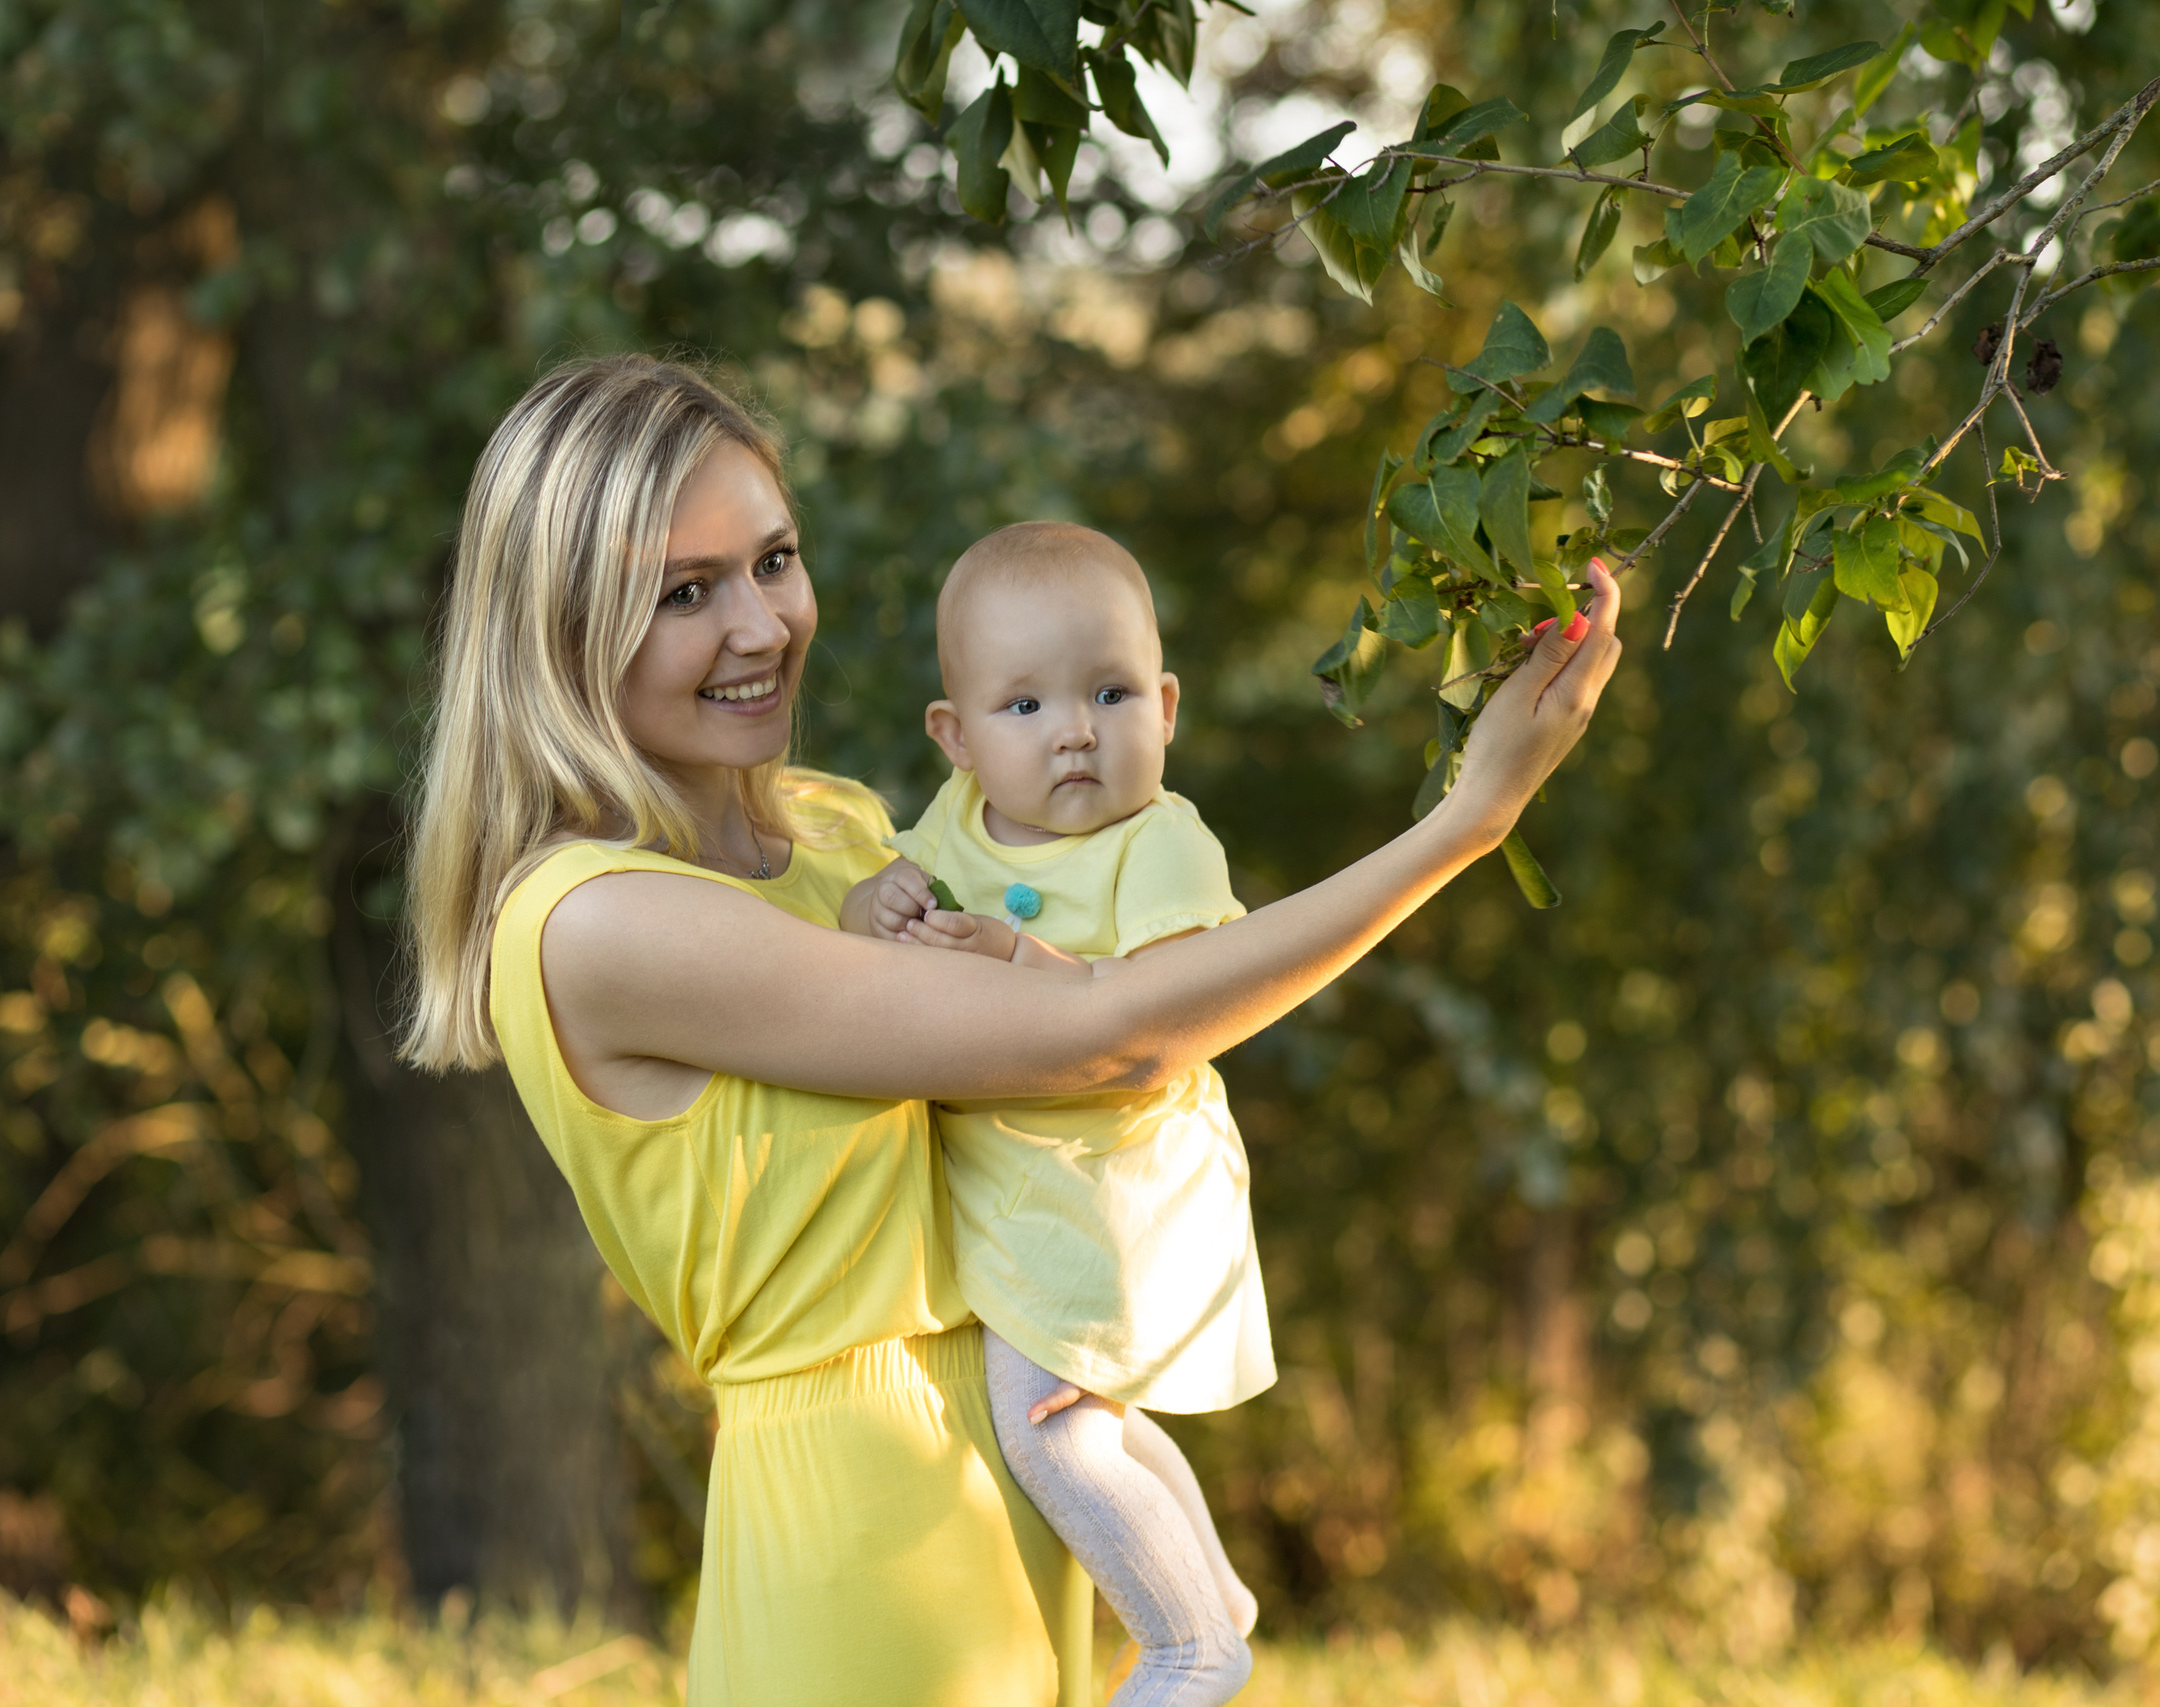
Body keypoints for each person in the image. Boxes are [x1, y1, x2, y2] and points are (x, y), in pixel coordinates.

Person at [399, 353, 1620, 1707]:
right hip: (860, 1537)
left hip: (1022, 1451)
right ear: (563, 629)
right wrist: (1468, 824)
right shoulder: (599, 919)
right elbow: (1110, 1037)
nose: (760, 624)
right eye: (685, 591)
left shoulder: (849, 831)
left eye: (774, 559)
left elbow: (1099, 942)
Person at [840, 520, 1270, 1705]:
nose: (1075, 728)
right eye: (1023, 708)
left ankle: (1189, 1645)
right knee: (1095, 1413)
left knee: (1045, 1424)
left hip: (1120, 1189)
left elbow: (1161, 1010)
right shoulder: (948, 827)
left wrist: (1010, 953)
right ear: (957, 735)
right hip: (1027, 1190)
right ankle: (1215, 1594)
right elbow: (883, 913)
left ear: (1167, 708)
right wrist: (876, 898)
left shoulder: (1164, 842)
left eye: (1112, 692)